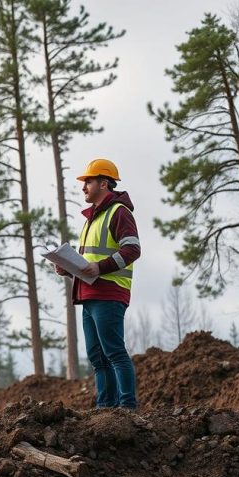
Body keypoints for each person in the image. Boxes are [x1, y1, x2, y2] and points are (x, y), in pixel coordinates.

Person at [54, 159, 140, 409]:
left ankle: (127, 408)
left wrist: (100, 267)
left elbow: (132, 249)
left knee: (114, 352)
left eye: (88, 182)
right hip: (89, 294)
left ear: (104, 183)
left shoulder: (119, 212)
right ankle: (105, 408)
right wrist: (69, 269)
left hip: (109, 294)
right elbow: (88, 262)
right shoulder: (91, 219)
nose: (83, 187)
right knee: (98, 359)